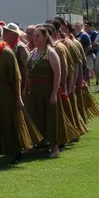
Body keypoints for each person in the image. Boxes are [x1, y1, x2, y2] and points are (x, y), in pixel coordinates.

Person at [0, 24, 40, 165]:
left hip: (5, 91)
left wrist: (18, 97)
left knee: (9, 121)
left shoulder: (7, 52)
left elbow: (16, 76)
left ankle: (16, 150)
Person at [25, 26, 80, 158]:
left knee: (51, 118)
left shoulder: (51, 52)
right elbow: (28, 72)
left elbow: (58, 73)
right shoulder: (32, 52)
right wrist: (25, 89)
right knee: (34, 116)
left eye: (38, 36)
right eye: (34, 35)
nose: (35, 38)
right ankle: (37, 143)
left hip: (47, 90)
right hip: (34, 91)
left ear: (45, 37)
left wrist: (54, 93)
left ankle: (55, 147)